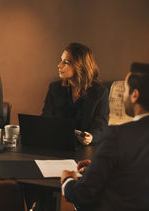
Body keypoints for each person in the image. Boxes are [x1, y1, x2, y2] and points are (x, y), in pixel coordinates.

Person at [61, 62, 149, 210]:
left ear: (135, 95)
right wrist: (99, 167)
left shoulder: (117, 135)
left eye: (125, 90)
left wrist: (67, 180)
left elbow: (82, 194)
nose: (122, 97)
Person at [42, 42, 109, 145]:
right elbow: (45, 118)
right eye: (61, 60)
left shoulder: (100, 92)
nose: (59, 65)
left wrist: (91, 137)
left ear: (80, 66)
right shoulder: (54, 88)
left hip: (84, 148)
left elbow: (101, 126)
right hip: (56, 144)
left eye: (66, 62)